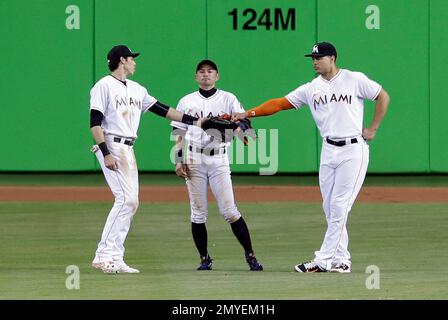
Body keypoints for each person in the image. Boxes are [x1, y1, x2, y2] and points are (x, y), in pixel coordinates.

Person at [233, 42, 390, 273]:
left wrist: (373, 128)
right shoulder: (311, 88)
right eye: (313, 58)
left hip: (353, 150)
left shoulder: (353, 79)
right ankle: (342, 259)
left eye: (320, 57)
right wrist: (248, 113)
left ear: (333, 58)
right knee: (329, 207)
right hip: (328, 150)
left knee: (338, 206)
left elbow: (382, 96)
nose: (315, 61)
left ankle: (323, 260)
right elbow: (279, 104)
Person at [89, 45, 203, 274]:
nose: (135, 62)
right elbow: (94, 123)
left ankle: (115, 256)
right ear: (122, 60)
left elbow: (164, 110)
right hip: (111, 144)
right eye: (132, 58)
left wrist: (196, 120)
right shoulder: (103, 86)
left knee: (131, 201)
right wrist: (105, 152)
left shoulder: (137, 89)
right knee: (125, 200)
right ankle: (103, 256)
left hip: (128, 148)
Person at [170, 59, 263, 271]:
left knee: (230, 211)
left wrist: (239, 129)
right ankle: (204, 258)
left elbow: (245, 123)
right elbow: (178, 132)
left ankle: (250, 255)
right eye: (201, 72)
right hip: (194, 159)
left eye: (210, 71)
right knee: (198, 212)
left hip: (219, 158)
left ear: (217, 76)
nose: (205, 74)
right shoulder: (186, 101)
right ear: (196, 77)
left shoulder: (228, 98)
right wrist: (177, 160)